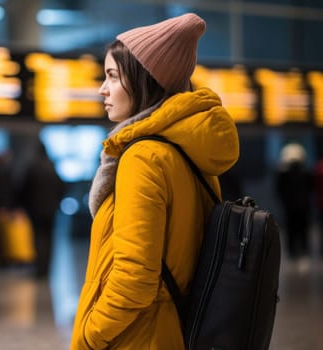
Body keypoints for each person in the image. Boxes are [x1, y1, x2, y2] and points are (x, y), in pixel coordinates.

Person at [70, 13, 239, 349]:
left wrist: (90, 335)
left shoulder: (143, 157)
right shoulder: (190, 152)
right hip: (172, 328)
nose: (103, 89)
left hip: (139, 336)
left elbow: (134, 278)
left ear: (144, 80)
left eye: (113, 76)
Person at [18, 141, 65, 278]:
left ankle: (39, 268)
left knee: (38, 238)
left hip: (35, 210)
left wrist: (23, 205)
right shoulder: (52, 167)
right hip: (51, 210)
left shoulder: (32, 167)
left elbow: (24, 189)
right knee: (50, 239)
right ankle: (47, 268)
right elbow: (61, 186)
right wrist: (57, 202)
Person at [275, 142, 313, 260]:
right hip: (299, 206)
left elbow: (279, 190)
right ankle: (301, 251)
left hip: (292, 207)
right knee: (300, 229)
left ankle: (297, 251)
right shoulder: (304, 173)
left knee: (295, 229)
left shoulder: (284, 174)